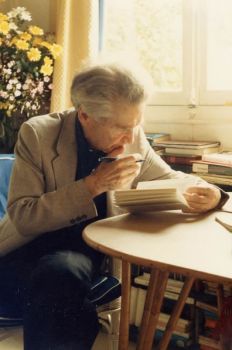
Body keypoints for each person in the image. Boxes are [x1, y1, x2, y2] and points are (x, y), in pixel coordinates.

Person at [0, 61, 229, 350]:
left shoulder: (132, 135)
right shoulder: (39, 134)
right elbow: (23, 216)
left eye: (136, 125)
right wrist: (92, 186)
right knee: (62, 276)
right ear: (85, 115)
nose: (131, 137)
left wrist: (211, 192)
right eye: (122, 128)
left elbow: (168, 176)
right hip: (26, 253)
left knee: (67, 280)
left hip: (85, 258)